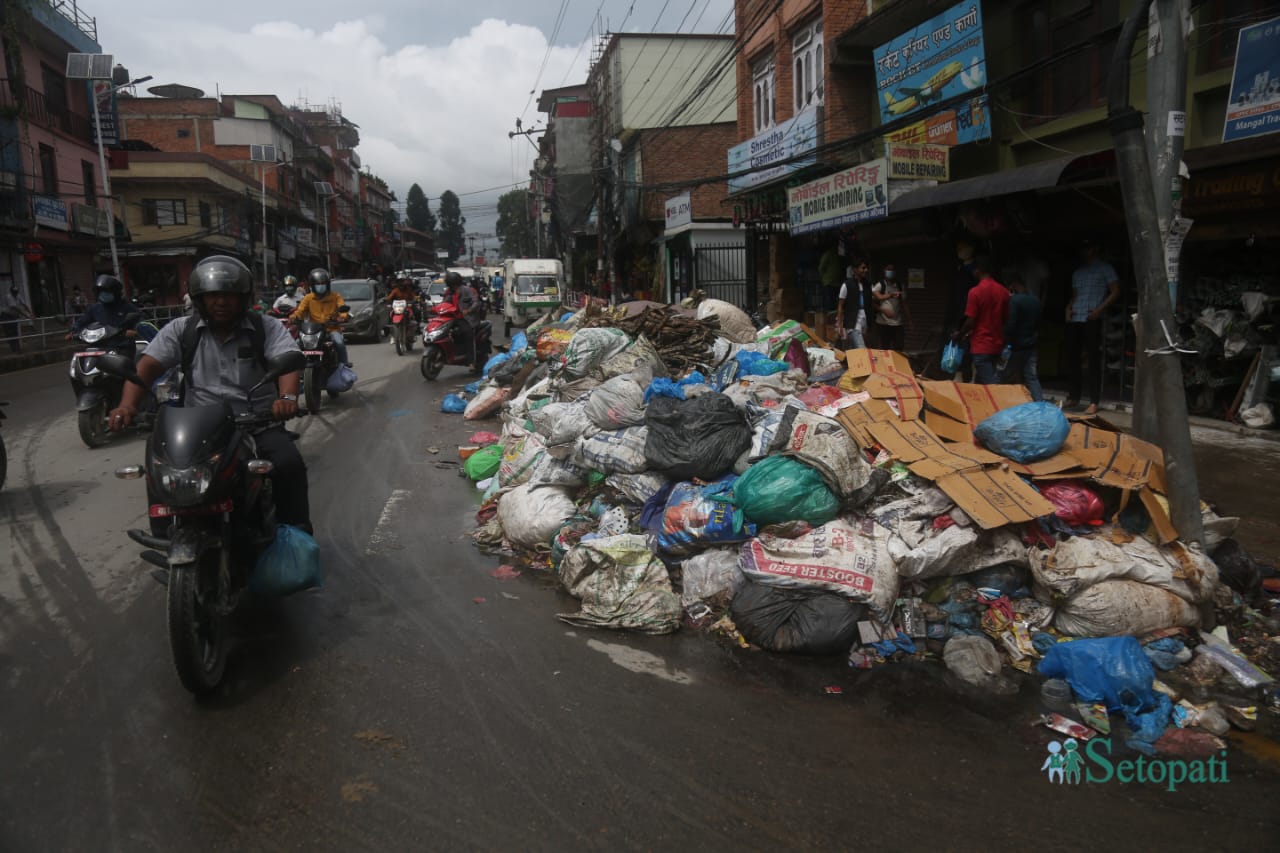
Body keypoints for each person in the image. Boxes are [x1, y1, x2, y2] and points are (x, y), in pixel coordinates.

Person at [107, 255, 309, 532]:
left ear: (243, 298)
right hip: (200, 429)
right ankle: (166, 539)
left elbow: (287, 362)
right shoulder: (181, 330)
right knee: (160, 470)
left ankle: (297, 540)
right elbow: (147, 367)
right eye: (213, 296)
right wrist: (127, 406)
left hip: (256, 424)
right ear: (200, 299)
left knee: (288, 465)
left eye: (229, 295)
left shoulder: (266, 327)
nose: (221, 302)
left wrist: (286, 399)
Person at [1065, 238, 1119, 415]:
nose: (1085, 251)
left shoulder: (1105, 268)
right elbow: (1075, 295)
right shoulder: (1078, 272)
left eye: (1088, 248)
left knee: (1093, 359)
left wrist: (1099, 309)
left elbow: (1115, 291)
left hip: (1092, 317)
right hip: (1076, 316)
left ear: (1095, 249)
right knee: (1073, 357)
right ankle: (1074, 396)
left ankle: (1094, 400)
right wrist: (1068, 307)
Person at [952, 255, 1008, 385]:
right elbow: (1005, 319)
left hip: (981, 344)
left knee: (990, 385)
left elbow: (971, 320)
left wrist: (960, 334)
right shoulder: (1004, 292)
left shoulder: (975, 292)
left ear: (978, 270)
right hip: (997, 344)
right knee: (980, 384)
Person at [65, 275, 143, 355]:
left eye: (107, 291)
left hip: (122, 348)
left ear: (116, 292)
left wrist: (134, 331)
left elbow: (140, 323)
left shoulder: (128, 308)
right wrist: (73, 331)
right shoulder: (95, 309)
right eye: (101, 291)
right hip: (99, 347)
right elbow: (83, 321)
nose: (103, 294)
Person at [290, 268, 351, 367]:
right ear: (312, 286)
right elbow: (300, 312)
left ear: (327, 284)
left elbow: (342, 308)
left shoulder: (335, 296)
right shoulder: (308, 298)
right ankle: (295, 370)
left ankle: (344, 366)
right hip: (313, 330)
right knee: (296, 344)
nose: (320, 286)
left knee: (339, 343)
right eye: (318, 284)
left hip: (331, 329)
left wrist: (342, 317)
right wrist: (294, 317)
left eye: (323, 284)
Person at [1001, 273, 1043, 401]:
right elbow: (1038, 323)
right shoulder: (1035, 300)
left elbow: (1011, 324)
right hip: (1031, 344)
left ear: (1013, 285)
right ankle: (1040, 404)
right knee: (1031, 376)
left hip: (1016, 346)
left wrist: (1004, 338)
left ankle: (997, 403)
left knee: (1003, 375)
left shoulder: (1014, 301)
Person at [444, 271, 482, 366]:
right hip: (451, 318)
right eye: (451, 285)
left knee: (468, 334)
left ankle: (471, 361)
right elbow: (443, 304)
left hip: (465, 318)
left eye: (454, 284)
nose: (453, 287)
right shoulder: (448, 292)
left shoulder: (467, 290)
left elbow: (476, 302)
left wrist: (468, 310)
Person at [870, 263, 910, 351]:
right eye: (888, 270)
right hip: (883, 323)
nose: (890, 272)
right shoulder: (880, 285)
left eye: (892, 270)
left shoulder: (899, 286)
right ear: (884, 271)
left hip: (897, 323)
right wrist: (883, 310)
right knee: (885, 349)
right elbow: (872, 302)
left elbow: (904, 304)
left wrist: (909, 320)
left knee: (899, 348)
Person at [836, 259, 872, 349]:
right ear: (855, 269)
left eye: (866, 268)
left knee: (853, 350)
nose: (866, 270)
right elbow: (840, 306)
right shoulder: (847, 285)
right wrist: (840, 326)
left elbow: (871, 302)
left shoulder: (867, 285)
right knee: (861, 349)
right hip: (853, 323)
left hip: (865, 321)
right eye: (863, 268)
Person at [1, 282, 34, 352]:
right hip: (6, 315)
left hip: (14, 316)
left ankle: (17, 347)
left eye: (16, 292)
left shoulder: (18, 296)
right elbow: (16, 308)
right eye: (14, 292)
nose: (15, 294)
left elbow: (24, 304)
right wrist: (26, 315)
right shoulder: (8, 297)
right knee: (11, 332)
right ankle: (14, 348)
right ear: (11, 292)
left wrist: (31, 313)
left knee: (16, 331)